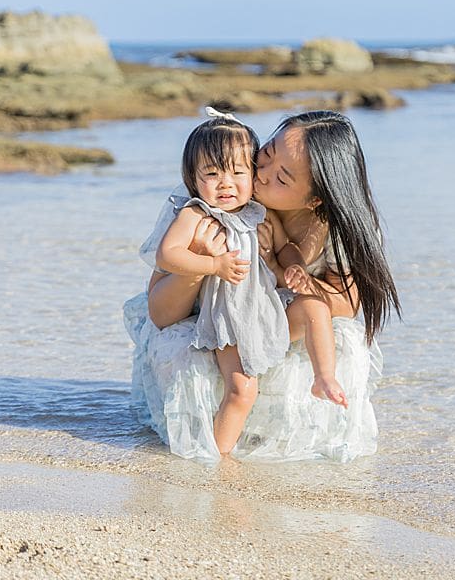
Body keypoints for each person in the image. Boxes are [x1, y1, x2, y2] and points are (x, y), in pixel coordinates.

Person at [125, 110, 400, 462]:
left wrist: (281, 268)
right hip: (211, 318)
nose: (258, 176)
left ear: (316, 199)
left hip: (274, 316)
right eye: (265, 156)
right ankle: (214, 457)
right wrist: (203, 264)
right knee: (232, 376)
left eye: (281, 178)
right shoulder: (209, 194)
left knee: (335, 328)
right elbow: (161, 312)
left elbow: (345, 304)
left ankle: (320, 386)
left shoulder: (333, 223)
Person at [140, 109, 290, 455]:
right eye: (212, 173)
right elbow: (168, 255)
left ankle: (224, 448)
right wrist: (213, 264)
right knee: (242, 389)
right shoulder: (195, 214)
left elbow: (282, 253)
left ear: (254, 174)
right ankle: (217, 458)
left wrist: (288, 267)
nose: (226, 182)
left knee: (254, 386)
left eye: (238, 171)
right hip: (228, 315)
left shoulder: (258, 213)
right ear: (193, 179)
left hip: (259, 313)